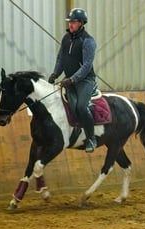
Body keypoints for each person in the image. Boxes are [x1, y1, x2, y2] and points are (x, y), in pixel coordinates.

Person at [48, 8, 97, 153]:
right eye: (70, 22)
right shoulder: (66, 38)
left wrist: (73, 79)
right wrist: (55, 73)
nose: (70, 24)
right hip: (69, 80)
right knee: (69, 106)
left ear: (81, 23)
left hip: (85, 81)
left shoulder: (88, 41)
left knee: (81, 107)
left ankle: (91, 138)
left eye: (73, 22)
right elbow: (61, 58)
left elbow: (87, 66)